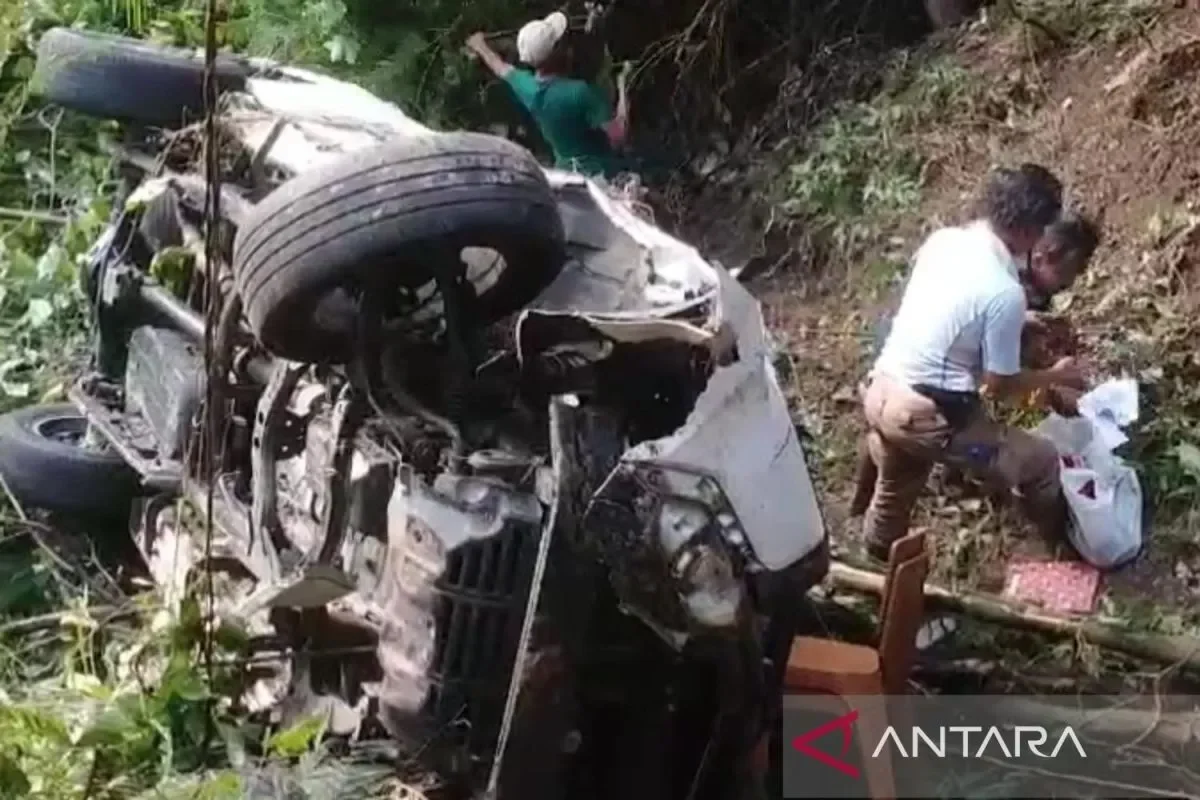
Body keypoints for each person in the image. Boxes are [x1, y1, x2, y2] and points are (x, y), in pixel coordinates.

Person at [858, 164, 1089, 562]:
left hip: (882, 386)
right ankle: (1058, 553)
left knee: (896, 492)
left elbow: (949, 309)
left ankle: (873, 556)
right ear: (1031, 230)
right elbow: (999, 385)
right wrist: (1057, 375)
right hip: (928, 419)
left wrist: (1017, 323)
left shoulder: (944, 240)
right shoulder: (1005, 291)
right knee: (1040, 461)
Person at [466, 12, 630, 179]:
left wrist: (480, 46)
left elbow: (500, 67)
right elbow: (618, 137)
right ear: (558, 53)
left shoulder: (528, 87)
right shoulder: (580, 93)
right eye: (561, 42)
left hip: (566, 174)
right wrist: (624, 86)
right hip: (599, 175)